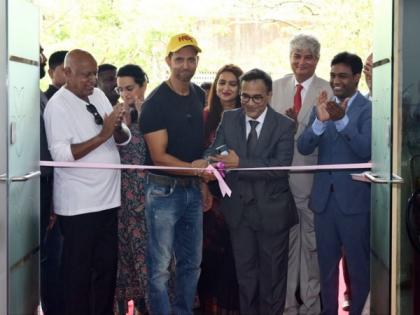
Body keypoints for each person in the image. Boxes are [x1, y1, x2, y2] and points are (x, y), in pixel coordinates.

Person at [44, 49, 131, 315]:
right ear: (67, 73)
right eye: (85, 75)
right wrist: (103, 134)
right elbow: (60, 155)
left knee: (106, 271)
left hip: (108, 201)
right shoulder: (57, 106)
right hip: (79, 207)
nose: (92, 80)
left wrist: (116, 128)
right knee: (77, 276)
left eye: (94, 74)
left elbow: (123, 138)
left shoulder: (99, 95)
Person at [207, 68, 297, 315]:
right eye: (245, 96)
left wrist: (240, 165)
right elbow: (217, 152)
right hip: (239, 213)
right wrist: (209, 164)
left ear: (269, 95)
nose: (250, 103)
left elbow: (281, 167)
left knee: (272, 279)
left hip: (273, 214)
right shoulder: (230, 119)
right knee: (245, 278)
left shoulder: (284, 125)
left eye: (257, 97)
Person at [139, 33, 210, 315]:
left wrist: (201, 183)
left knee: (191, 263)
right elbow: (158, 156)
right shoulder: (156, 102)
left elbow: (200, 147)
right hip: (162, 191)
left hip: (192, 190)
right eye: (179, 59)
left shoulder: (200, 95)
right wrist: (194, 170)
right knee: (159, 268)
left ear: (197, 61)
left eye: (191, 59)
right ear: (168, 61)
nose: (185, 65)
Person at [298, 52, 371, 315]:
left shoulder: (369, 108)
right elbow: (304, 146)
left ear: (356, 77)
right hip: (324, 204)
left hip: (354, 204)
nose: (335, 81)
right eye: (332, 76)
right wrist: (319, 122)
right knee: (326, 270)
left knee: (359, 269)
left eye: (342, 76)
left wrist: (342, 121)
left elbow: (365, 150)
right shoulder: (322, 106)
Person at [271, 34, 332, 315]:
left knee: (311, 250)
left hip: (311, 186)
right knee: (284, 250)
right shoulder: (274, 87)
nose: (301, 61)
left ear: (317, 60)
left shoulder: (328, 90)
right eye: (297, 55)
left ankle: (311, 307)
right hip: (278, 186)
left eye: (308, 56)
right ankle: (287, 307)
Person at [198, 64, 242, 314]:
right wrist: (204, 182)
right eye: (222, 82)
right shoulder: (205, 116)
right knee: (208, 260)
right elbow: (196, 155)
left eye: (233, 83)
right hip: (208, 198)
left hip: (237, 196)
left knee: (232, 262)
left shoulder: (245, 117)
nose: (226, 88)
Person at [113, 64, 149, 315]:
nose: (125, 93)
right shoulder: (116, 114)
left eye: (130, 88)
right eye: (120, 89)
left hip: (148, 195)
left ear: (142, 85)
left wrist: (141, 112)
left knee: (149, 258)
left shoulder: (154, 111)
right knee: (123, 257)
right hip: (119, 194)